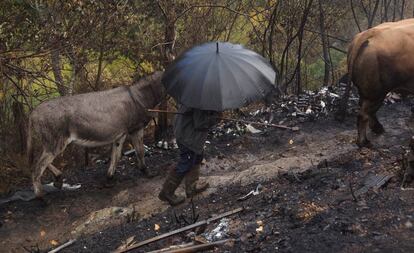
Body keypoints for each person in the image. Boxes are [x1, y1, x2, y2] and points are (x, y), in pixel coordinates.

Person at [158, 105, 221, 206]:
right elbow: (200, 123)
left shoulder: (197, 96)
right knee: (186, 162)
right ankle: (167, 192)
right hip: (188, 137)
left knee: (198, 157)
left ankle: (191, 188)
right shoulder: (201, 103)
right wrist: (215, 119)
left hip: (187, 132)